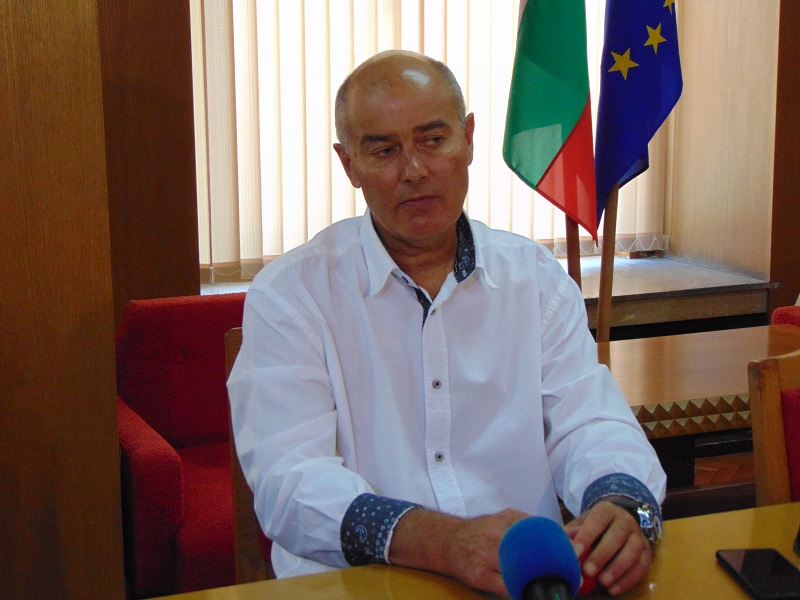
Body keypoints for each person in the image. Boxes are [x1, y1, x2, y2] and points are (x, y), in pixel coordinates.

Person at [227, 49, 667, 597]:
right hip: (358, 587)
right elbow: (288, 482)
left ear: (469, 139)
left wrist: (621, 504)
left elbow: (590, 424)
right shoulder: (291, 294)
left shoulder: (535, 279)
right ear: (349, 165)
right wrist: (438, 541)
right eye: (384, 150)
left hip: (521, 581)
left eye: (433, 140)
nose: (414, 170)